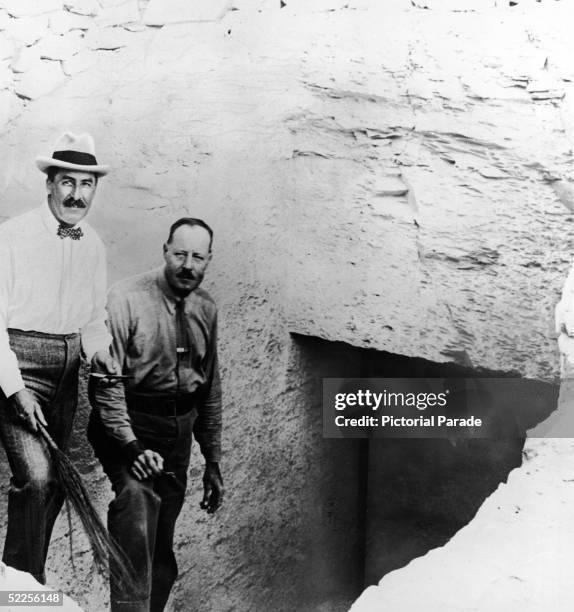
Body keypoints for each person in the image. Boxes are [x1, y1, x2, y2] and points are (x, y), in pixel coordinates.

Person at [88, 217, 224, 612]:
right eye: (180, 254)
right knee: (136, 504)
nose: (187, 265)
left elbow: (210, 387)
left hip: (176, 437)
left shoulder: (207, 308)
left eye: (198, 257)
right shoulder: (126, 298)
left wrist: (212, 460)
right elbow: (106, 386)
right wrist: (131, 447)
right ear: (165, 251)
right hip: (127, 426)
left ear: (208, 260)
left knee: (162, 546)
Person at [0, 132, 119, 583]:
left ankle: (25, 586)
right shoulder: (11, 237)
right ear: (49, 184)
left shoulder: (92, 244)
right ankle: (16, 592)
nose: (77, 194)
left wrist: (102, 354)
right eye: (67, 182)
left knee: (55, 488)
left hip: (67, 368)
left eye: (86, 185)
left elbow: (91, 320)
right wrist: (14, 388)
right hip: (19, 361)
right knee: (36, 479)